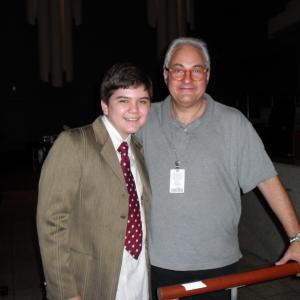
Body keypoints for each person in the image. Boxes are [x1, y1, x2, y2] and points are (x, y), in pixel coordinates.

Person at [137, 37, 300, 299]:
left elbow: (267, 180)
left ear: (207, 75)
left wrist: (296, 238)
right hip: (155, 263)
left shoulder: (233, 124)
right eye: (178, 69)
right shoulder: (143, 119)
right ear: (166, 75)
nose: (187, 78)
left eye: (196, 70)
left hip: (218, 266)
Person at [37, 62, 152, 300]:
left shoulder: (137, 151)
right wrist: (66, 293)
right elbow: (51, 223)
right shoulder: (74, 144)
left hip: (138, 276)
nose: (135, 109)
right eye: (123, 100)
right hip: (91, 282)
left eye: (142, 101)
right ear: (104, 106)